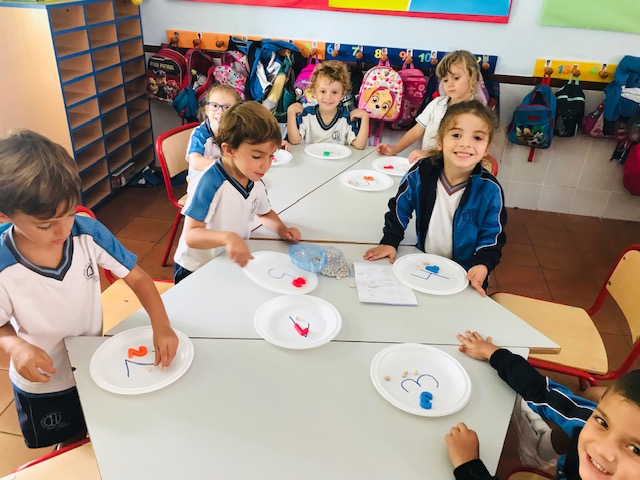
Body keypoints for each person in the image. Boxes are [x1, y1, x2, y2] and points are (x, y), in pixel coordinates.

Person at [0, 130, 179, 449]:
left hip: (93, 361)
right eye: (45, 225)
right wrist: (15, 346)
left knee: (102, 429)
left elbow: (138, 279)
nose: (63, 230)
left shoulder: (87, 233)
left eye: (69, 213)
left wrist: (162, 326)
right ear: (4, 215)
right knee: (67, 445)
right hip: (45, 383)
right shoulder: (3, 265)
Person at [445, 331, 640, 479]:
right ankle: (540, 448)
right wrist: (494, 353)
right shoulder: (588, 418)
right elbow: (542, 391)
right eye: (603, 422)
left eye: (635, 449)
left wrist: (468, 466)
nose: (602, 449)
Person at [363, 100, 506, 296]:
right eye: (456, 135)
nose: (466, 144)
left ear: (486, 148)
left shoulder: (490, 190)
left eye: (477, 138)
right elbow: (399, 207)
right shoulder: (421, 172)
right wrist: (390, 240)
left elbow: (493, 236)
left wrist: (483, 264)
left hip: (466, 274)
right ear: (440, 141)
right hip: (423, 263)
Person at [173, 101, 301, 284]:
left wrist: (282, 230)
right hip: (195, 268)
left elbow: (264, 213)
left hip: (227, 261)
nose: (266, 165)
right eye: (257, 156)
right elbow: (191, 236)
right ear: (229, 150)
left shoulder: (255, 180)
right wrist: (228, 238)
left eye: (271, 156)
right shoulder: (210, 182)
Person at [376, 50, 483, 163]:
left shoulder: (475, 113)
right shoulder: (437, 104)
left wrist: (430, 154)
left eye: (456, 78)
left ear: (473, 77)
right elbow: (416, 131)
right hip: (429, 165)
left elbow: (463, 147)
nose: (450, 84)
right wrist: (395, 148)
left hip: (454, 168)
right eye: (445, 80)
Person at [286, 60, 369, 149]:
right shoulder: (306, 115)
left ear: (342, 94)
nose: (328, 97)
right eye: (323, 91)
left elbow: (359, 145)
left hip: (338, 158)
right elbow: (294, 141)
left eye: (334, 92)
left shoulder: (346, 118)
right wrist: (291, 112)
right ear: (314, 92)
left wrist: (365, 117)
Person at [186, 84, 242, 194]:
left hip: (226, 178)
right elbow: (195, 162)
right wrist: (227, 166)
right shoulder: (200, 134)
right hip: (201, 185)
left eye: (227, 107)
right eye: (215, 106)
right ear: (207, 110)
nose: (220, 112)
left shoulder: (236, 130)